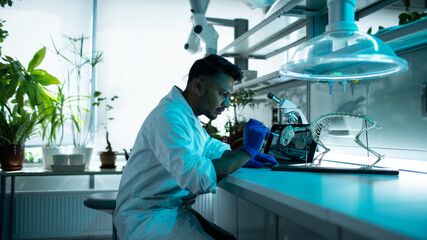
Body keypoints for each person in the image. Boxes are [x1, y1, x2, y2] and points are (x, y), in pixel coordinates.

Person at [114, 54, 278, 240]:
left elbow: (208, 147)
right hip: (146, 218)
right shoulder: (169, 117)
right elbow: (194, 177)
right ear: (199, 86)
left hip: (168, 211)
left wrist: (241, 156)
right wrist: (247, 151)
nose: (226, 103)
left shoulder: (186, 116)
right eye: (223, 94)